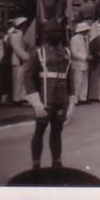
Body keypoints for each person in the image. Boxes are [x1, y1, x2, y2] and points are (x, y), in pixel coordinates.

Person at [23, 19, 77, 169]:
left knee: (57, 132)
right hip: (44, 101)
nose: (57, 34)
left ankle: (57, 163)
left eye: (59, 32)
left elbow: (69, 78)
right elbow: (28, 78)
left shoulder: (66, 52)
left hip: (61, 100)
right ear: (46, 34)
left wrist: (71, 103)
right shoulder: (37, 53)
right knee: (39, 132)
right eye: (53, 32)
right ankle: (36, 166)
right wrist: (36, 103)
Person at [5, 17, 30, 104]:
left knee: (22, 78)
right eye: (24, 24)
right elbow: (16, 48)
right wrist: (25, 57)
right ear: (21, 25)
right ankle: (16, 99)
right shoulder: (14, 34)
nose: (26, 26)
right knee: (17, 79)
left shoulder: (22, 33)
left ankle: (22, 97)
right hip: (17, 59)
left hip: (23, 59)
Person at [69, 22, 91, 103]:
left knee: (85, 82)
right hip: (78, 64)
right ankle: (75, 99)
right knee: (77, 82)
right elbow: (74, 52)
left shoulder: (86, 38)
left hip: (85, 64)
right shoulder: (74, 39)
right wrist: (85, 57)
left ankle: (83, 98)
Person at [87, 18, 100, 102]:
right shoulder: (98, 35)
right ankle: (97, 96)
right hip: (98, 56)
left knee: (99, 77)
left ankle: (98, 96)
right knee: (98, 76)